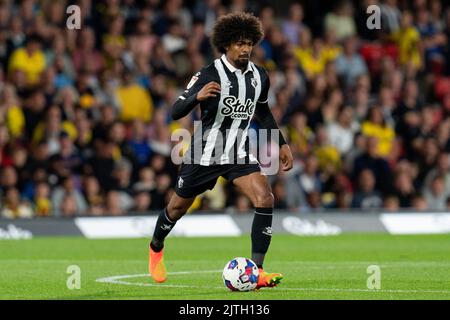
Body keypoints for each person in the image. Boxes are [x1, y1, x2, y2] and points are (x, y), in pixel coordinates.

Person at [148, 12, 293, 288]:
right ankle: (156, 247)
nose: (245, 48)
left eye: (249, 43)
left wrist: (282, 143)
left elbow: (262, 111)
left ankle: (258, 271)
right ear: (226, 45)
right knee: (177, 208)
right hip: (205, 151)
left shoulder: (259, 76)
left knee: (265, 197)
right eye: (239, 43)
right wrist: (196, 97)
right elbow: (175, 110)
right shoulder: (209, 73)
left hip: (237, 150)